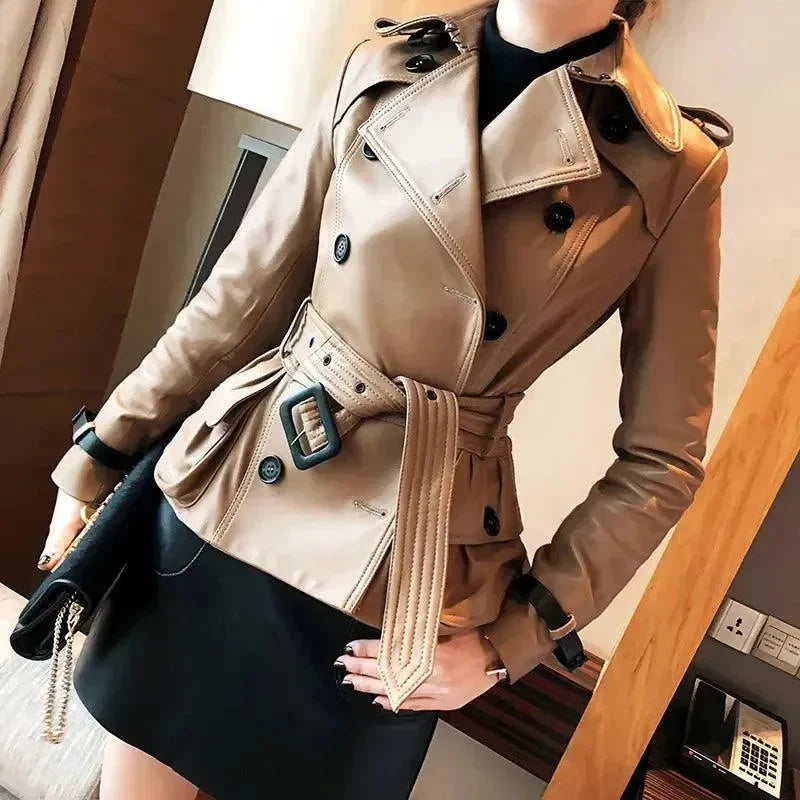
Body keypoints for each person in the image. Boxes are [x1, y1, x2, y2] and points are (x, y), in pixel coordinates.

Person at [39, 0, 731, 797]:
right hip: (234, 505)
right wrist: (98, 458)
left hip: (404, 579)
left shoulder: (675, 166)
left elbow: (662, 463)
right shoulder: (382, 66)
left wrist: (513, 641)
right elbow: (235, 304)